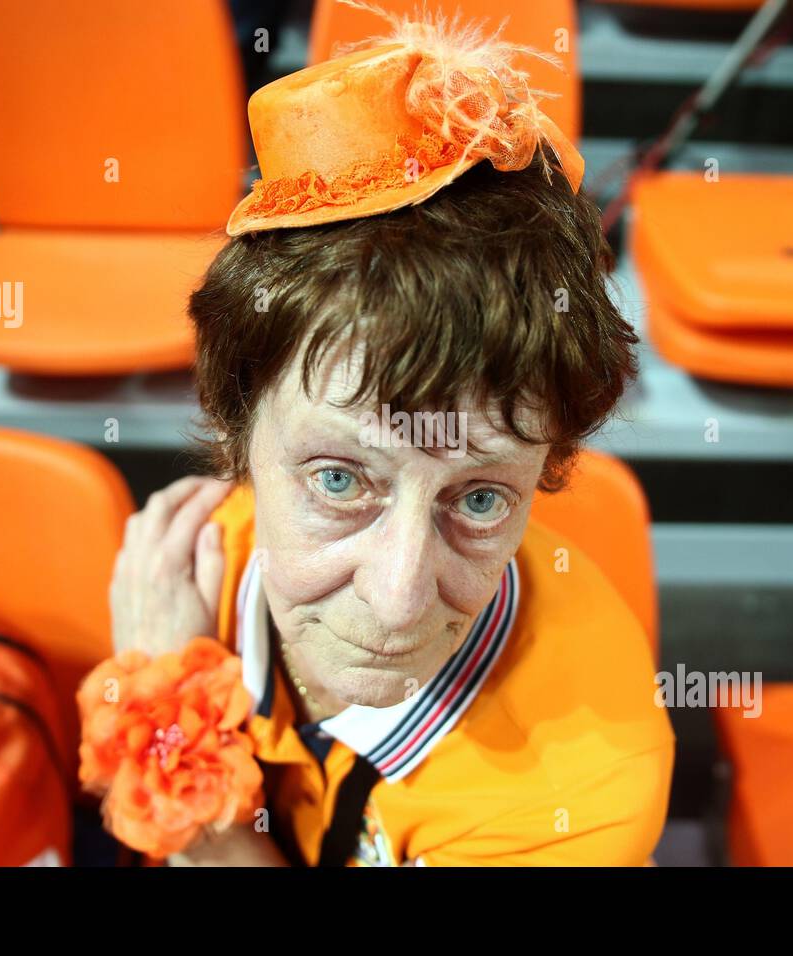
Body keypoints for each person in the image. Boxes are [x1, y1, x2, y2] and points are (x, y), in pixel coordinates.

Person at [103, 5, 674, 866]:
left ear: (547, 469)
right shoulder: (189, 566)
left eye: (479, 498)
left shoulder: (586, 794)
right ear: (235, 432)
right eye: (338, 480)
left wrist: (170, 707)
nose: (399, 600)